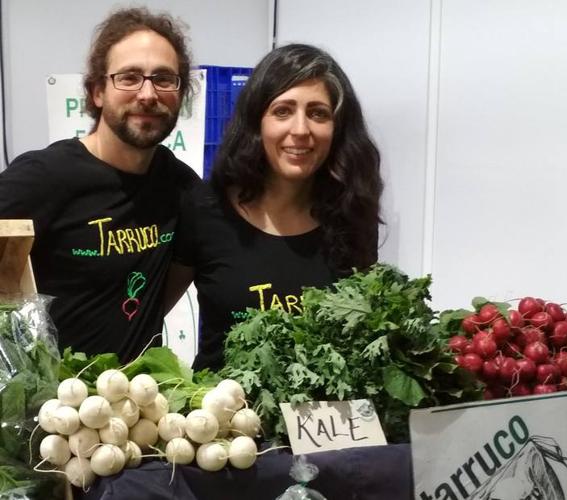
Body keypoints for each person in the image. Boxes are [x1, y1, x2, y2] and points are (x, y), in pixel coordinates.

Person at [166, 43, 383, 371]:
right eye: (283, 111)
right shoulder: (206, 207)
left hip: (319, 419)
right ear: (257, 122)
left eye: (318, 113)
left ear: (337, 129)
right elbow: (149, 312)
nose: (300, 130)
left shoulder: (351, 216)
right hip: (220, 417)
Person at [0, 7, 200, 362]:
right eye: (129, 77)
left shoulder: (182, 187)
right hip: (52, 405)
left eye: (164, 78)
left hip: (136, 404)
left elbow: (170, 284)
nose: (148, 93)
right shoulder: (43, 177)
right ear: (96, 92)